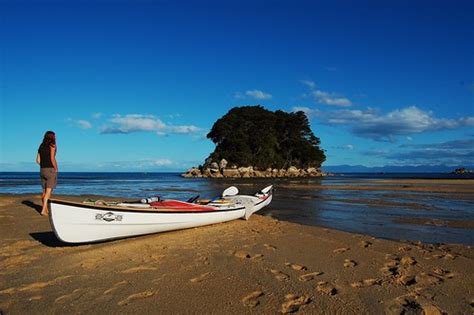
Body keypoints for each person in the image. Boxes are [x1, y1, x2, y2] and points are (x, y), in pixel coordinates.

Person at [36, 131, 58, 216]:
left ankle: (45, 209)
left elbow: (37, 160)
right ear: (52, 137)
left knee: (44, 192)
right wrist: (56, 168)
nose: (55, 137)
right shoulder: (52, 145)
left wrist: (43, 164)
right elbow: (52, 158)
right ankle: (43, 210)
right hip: (50, 170)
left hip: (42, 170)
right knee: (48, 192)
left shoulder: (41, 146)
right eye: (54, 136)